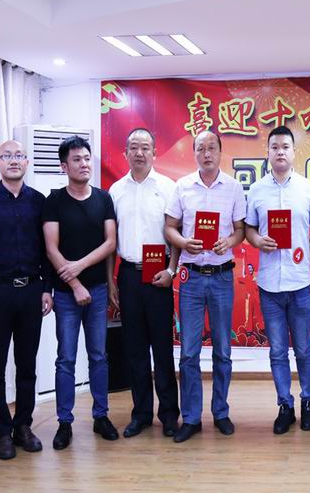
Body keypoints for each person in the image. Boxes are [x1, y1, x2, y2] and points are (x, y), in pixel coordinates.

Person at [0, 140, 53, 460]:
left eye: (19, 156)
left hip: (31, 291)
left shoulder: (40, 202)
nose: (13, 161)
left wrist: (46, 288)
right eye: (7, 156)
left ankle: (23, 426)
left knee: (27, 364)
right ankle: (2, 432)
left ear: (27, 162)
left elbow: (48, 250)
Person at [164, 130, 246, 442]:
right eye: (201, 148)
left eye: (212, 148)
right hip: (192, 277)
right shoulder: (182, 186)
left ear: (220, 152)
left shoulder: (233, 187)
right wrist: (184, 242)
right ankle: (191, 417)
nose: (207, 153)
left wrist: (230, 242)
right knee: (189, 352)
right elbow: (169, 227)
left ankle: (221, 412)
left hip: (222, 276)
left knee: (223, 350)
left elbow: (240, 230)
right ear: (194, 153)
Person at [245, 125, 310, 435]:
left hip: (299, 283)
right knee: (277, 351)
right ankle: (285, 406)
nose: (280, 152)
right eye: (274, 147)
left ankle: (308, 402)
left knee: (303, 348)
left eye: (285, 147)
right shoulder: (256, 190)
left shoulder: (308, 189)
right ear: (267, 152)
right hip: (269, 286)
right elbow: (249, 229)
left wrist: (306, 259)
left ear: (293, 152)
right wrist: (257, 241)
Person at [43, 136, 119, 449]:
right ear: (64, 166)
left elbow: (110, 242)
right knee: (66, 358)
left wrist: (80, 267)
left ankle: (101, 416)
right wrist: (74, 283)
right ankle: (65, 422)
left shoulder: (103, 198)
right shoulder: (54, 201)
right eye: (76, 159)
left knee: (99, 356)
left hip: (98, 291)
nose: (84, 164)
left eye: (87, 158)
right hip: (65, 295)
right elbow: (51, 248)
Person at [107, 128, 180, 439]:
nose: (139, 153)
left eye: (145, 148)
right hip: (128, 275)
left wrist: (172, 270)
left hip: (158, 273)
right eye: (134, 147)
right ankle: (140, 415)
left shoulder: (168, 187)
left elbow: (176, 233)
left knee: (162, 348)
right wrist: (111, 281)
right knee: (134, 349)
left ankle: (169, 415)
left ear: (155, 152)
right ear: (125, 153)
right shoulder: (115, 191)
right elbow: (110, 241)